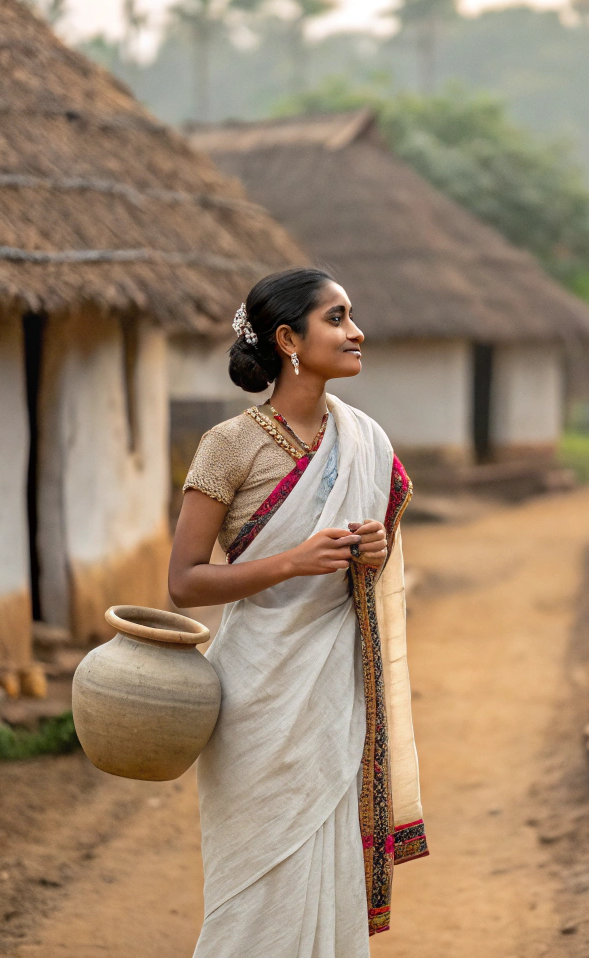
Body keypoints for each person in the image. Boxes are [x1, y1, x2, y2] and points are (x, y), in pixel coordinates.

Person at [169, 268, 427, 957]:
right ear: (288, 339)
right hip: (257, 698)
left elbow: (371, 564)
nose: (356, 332)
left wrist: (373, 551)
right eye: (337, 318)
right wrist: (291, 561)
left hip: (334, 694)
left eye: (352, 316)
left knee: (328, 873)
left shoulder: (366, 441)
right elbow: (183, 582)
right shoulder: (230, 445)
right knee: (253, 891)